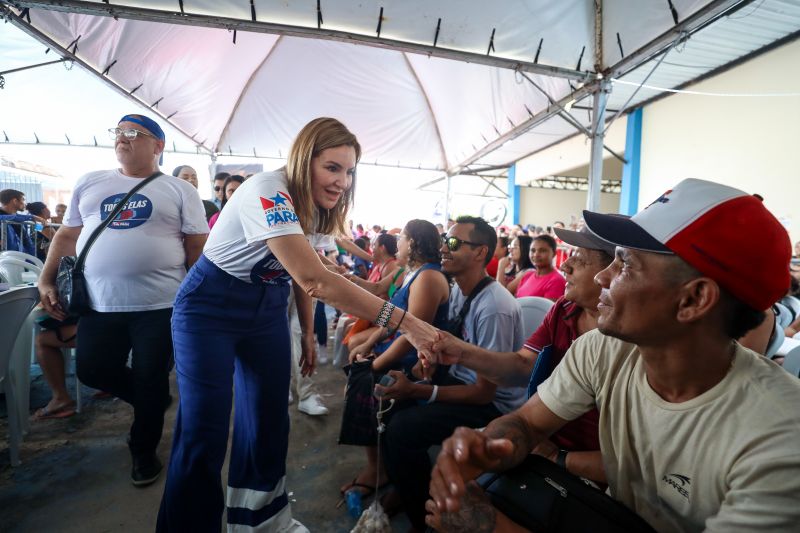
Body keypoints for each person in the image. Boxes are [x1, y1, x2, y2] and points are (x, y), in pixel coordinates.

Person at [428, 178, 800, 532]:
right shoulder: (603, 349)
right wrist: (487, 448)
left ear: (694, 299)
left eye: (625, 264)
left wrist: (495, 528)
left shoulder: (780, 440)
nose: (602, 277)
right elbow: (527, 424)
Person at [155, 117, 437, 532]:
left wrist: (307, 333)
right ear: (305, 160)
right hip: (209, 308)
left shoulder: (312, 207)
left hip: (267, 308)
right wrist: (405, 322)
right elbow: (314, 279)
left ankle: (260, 522)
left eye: (349, 171)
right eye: (332, 167)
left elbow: (304, 271)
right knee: (203, 430)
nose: (342, 182)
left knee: (269, 418)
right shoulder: (268, 191)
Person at [37, 113, 209, 487]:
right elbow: (67, 237)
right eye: (118, 131)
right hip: (99, 304)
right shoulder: (90, 182)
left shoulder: (180, 190)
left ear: (158, 145)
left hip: (160, 306)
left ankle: (143, 450)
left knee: (151, 375)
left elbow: (197, 248)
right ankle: (151, 400)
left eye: (133, 132)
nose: (122, 137)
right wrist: (45, 279)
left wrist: (200, 303)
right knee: (92, 370)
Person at [428, 225, 617, 487]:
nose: (566, 266)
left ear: (613, 274)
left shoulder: (629, 342)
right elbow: (523, 367)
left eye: (580, 260)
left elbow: (641, 466)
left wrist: (557, 458)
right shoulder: (564, 309)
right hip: (543, 438)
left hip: (584, 469)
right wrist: (461, 352)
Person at [379, 216, 527, 531]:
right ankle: (406, 487)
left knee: (402, 429)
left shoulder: (494, 307)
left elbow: (484, 393)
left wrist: (418, 389)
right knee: (391, 405)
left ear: (480, 252)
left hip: (493, 405)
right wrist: (429, 364)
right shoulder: (458, 289)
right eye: (445, 240)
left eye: (454, 243)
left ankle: (426, 518)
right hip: (461, 380)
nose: (444, 248)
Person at [341, 219, 450, 502]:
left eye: (401, 237)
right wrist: (369, 343)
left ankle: (381, 471)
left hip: (415, 363)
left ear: (412, 243)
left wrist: (374, 365)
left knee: (361, 380)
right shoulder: (413, 274)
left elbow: (410, 337)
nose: (397, 243)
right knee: (357, 364)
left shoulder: (428, 278)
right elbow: (393, 317)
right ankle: (379, 465)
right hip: (397, 352)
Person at [32, 316, 79, 419]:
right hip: (109, 321)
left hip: (99, 328)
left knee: (42, 340)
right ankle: (108, 383)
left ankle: (60, 397)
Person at [513, 234, 566, 300]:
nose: (536, 254)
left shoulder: (557, 281)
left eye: (542, 250)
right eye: (533, 250)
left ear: (554, 253)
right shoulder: (527, 275)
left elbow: (549, 306)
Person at [0, 188, 43, 256]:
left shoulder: (21, 219)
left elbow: (26, 240)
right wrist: (33, 218)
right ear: (15, 201)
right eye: (23, 199)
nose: (25, 203)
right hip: (5, 258)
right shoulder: (23, 218)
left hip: (20, 257)